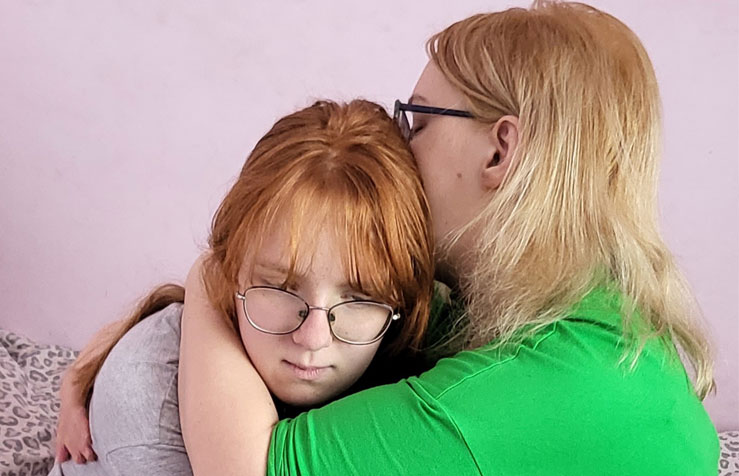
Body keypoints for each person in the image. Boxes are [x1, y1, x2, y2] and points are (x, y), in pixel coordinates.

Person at [176, 2, 719, 475]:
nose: (400, 149)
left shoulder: (532, 385)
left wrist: (213, 272)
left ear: (499, 151)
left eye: (418, 123)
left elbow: (247, 466)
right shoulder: (595, 317)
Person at [51, 99, 435, 475]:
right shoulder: (152, 413)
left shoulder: (405, 360)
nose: (313, 339)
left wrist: (79, 372)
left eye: (359, 298)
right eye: (282, 287)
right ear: (230, 265)